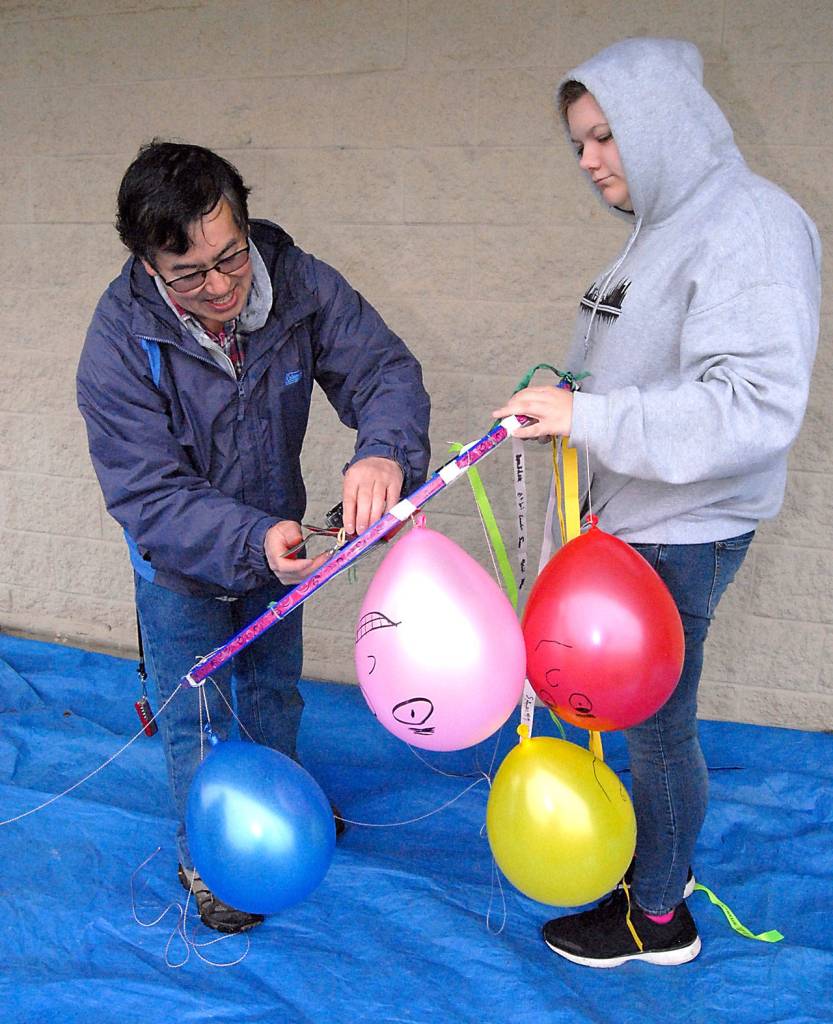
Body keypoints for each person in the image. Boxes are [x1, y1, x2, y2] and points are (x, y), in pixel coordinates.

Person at [493, 37, 820, 967]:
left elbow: (753, 407)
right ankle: (643, 881)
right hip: (632, 524)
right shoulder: (667, 228)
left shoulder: (748, 224)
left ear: (664, 127)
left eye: (604, 138)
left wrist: (588, 413)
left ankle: (658, 920)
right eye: (580, 145)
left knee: (658, 733)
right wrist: (569, 403)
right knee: (642, 725)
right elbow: (653, 372)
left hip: (683, 531)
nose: (589, 161)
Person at [77, 141, 431, 934]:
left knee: (274, 693)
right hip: (178, 564)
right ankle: (213, 853)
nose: (220, 286)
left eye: (230, 257)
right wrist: (250, 539)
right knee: (195, 716)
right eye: (189, 275)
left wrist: (381, 452)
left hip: (279, 545)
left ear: (244, 219)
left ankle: (283, 811)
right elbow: (148, 494)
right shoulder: (115, 345)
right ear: (147, 263)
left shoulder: (299, 283)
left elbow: (384, 374)